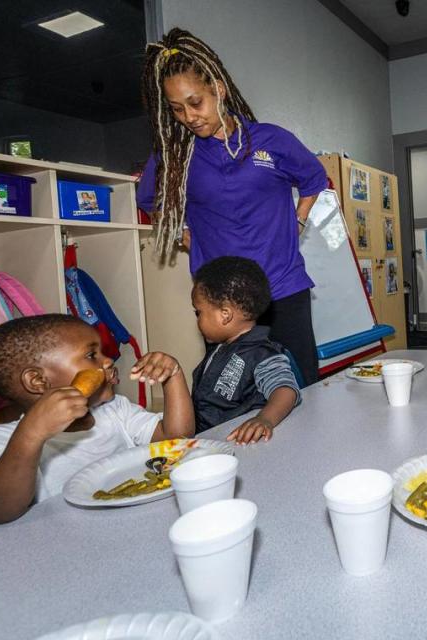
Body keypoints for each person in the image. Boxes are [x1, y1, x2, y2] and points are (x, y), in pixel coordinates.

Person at [137, 28, 327, 386]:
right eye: (177, 109)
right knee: (231, 396)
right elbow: (149, 200)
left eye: (196, 103)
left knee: (301, 386)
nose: (189, 116)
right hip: (221, 302)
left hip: (282, 287)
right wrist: (185, 235)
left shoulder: (270, 139)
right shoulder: (176, 155)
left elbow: (314, 178)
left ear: (218, 90)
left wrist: (298, 221)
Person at [0, 314, 194, 525]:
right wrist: (31, 434)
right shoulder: (0, 440)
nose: (107, 361)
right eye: (91, 355)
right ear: (37, 381)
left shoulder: (114, 411)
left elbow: (177, 437)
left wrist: (172, 375)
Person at [192, 256, 300, 444]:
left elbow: (285, 390)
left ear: (225, 314)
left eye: (198, 312)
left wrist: (264, 419)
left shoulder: (261, 353)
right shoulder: (219, 349)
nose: (197, 319)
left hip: (241, 446)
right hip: (210, 443)